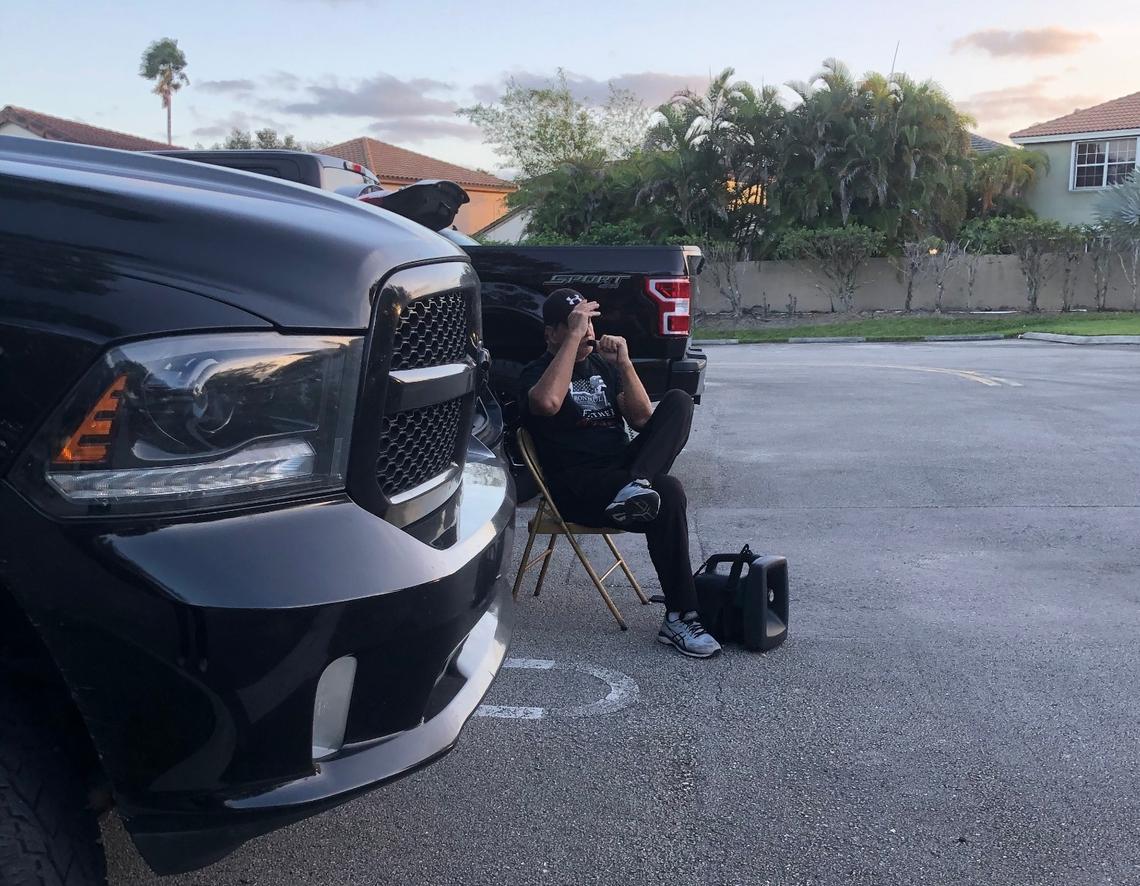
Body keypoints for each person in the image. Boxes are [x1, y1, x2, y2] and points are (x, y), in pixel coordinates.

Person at [518, 288, 721, 659]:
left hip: (623, 478)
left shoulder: (603, 368)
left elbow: (643, 419)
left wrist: (624, 364)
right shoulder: (534, 374)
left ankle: (638, 485)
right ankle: (682, 614)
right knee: (671, 491)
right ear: (552, 333)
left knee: (677, 401)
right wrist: (575, 339)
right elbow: (546, 404)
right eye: (576, 324)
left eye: (590, 322)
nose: (588, 331)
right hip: (578, 486)